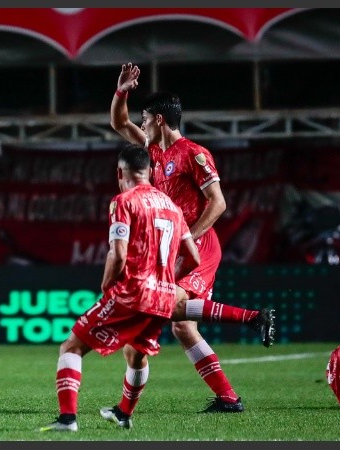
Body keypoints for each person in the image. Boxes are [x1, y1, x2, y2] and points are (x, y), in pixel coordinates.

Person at [109, 62, 274, 413]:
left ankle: (253, 317)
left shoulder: (194, 154)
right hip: (171, 247)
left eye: (145, 118)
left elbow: (219, 202)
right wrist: (122, 90)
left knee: (167, 308)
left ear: (159, 120)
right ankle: (229, 398)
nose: (140, 124)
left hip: (198, 245)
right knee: (183, 327)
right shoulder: (152, 151)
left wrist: (188, 237)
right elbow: (118, 123)